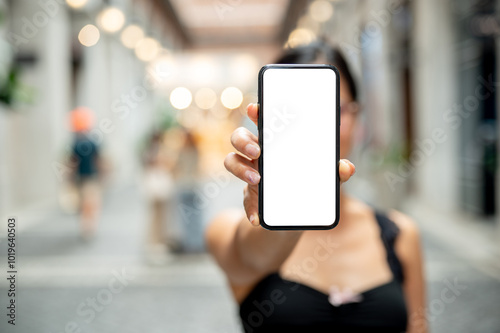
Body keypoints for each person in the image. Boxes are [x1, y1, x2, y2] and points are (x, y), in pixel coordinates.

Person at [206, 42, 427, 333]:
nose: (319, 125)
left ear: (357, 116)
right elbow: (252, 256)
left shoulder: (400, 234)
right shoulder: (228, 228)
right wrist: (279, 197)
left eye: (335, 109)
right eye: (295, 113)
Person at [69, 106, 102, 240]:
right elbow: (98, 161)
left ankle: (85, 227)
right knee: (92, 204)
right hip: (91, 177)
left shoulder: (75, 143)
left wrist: (69, 178)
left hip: (81, 178)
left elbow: (72, 163)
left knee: (83, 204)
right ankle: (90, 227)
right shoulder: (93, 142)